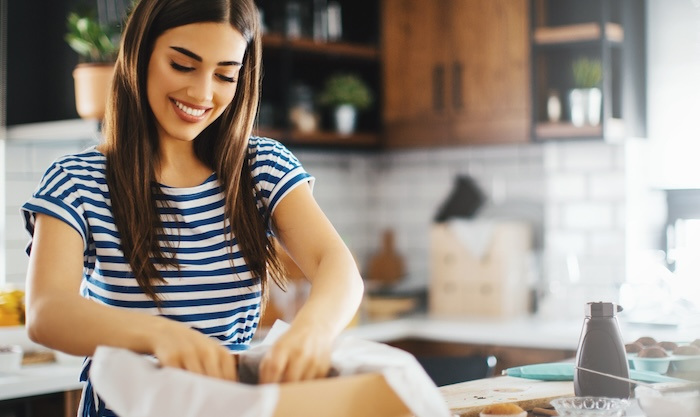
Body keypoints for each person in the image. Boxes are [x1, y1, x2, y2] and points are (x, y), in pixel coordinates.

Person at [21, 0, 364, 415]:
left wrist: (312, 331)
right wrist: (160, 336)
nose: (202, 93)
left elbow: (338, 267)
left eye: (224, 75)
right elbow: (46, 313)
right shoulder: (78, 180)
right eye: (183, 65)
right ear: (141, 53)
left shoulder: (260, 168)